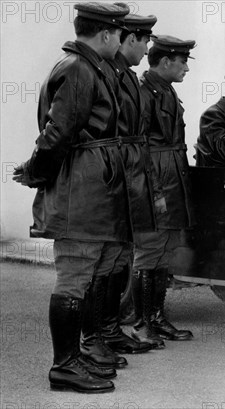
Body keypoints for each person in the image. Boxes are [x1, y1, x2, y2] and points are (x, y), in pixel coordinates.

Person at [12, 2, 131, 393]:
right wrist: (34, 172)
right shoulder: (79, 69)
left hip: (89, 187)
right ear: (107, 34)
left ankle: (73, 357)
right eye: (119, 34)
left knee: (84, 274)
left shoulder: (86, 66)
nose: (121, 41)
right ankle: (63, 366)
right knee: (75, 275)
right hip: (79, 189)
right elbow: (57, 134)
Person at [100, 11, 159, 355]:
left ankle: (110, 331)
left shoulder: (126, 77)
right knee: (107, 258)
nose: (147, 47)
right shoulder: (109, 75)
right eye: (145, 40)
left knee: (121, 256)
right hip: (115, 175)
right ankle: (101, 335)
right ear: (130, 39)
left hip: (130, 174)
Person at [132, 35, 196, 348]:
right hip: (155, 179)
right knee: (148, 253)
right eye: (182, 61)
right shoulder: (145, 94)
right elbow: (138, 146)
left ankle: (156, 318)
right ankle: (142, 323)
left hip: (169, 178)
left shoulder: (164, 91)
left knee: (164, 253)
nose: (186, 68)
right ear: (166, 61)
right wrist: (152, 190)